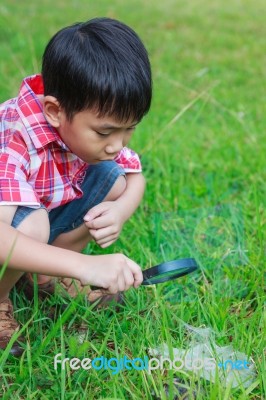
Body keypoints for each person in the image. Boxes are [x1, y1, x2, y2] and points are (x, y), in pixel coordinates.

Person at [0, 17, 152, 356]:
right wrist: (87, 267)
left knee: (112, 180)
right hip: (9, 226)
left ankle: (43, 277)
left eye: (129, 130)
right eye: (105, 132)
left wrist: (120, 210)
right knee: (32, 226)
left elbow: (133, 176)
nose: (118, 144)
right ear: (54, 110)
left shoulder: (89, 123)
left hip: (37, 207)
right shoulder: (14, 138)